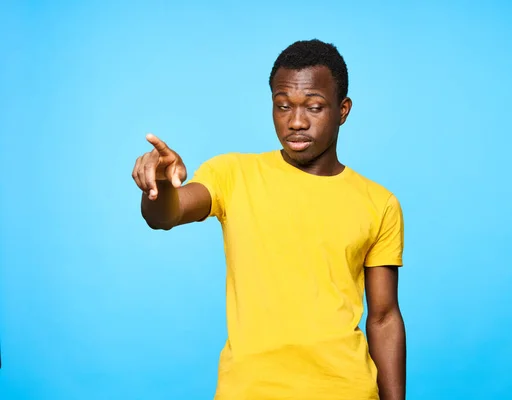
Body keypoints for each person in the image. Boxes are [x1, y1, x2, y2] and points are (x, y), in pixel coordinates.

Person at [132, 39, 406, 400]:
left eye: (314, 107)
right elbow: (166, 214)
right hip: (248, 390)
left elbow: (384, 318)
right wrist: (162, 183)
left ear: (343, 110)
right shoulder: (233, 173)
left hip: (346, 389)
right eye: (282, 106)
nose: (295, 121)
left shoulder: (379, 202)